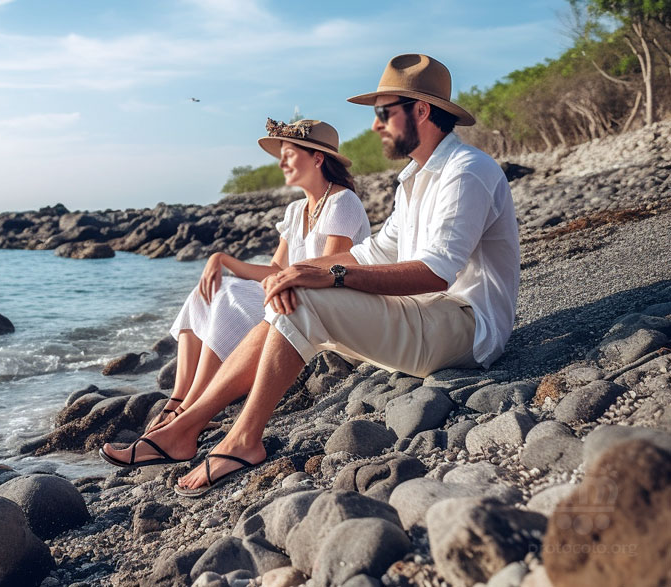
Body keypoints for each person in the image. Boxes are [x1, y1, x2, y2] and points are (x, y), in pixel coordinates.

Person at [102, 54, 520, 498]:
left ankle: (242, 441)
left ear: (420, 111)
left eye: (384, 113)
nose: (376, 126)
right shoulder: (413, 179)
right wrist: (300, 270)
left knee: (300, 298)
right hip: (418, 319)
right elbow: (376, 251)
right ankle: (184, 427)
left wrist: (331, 276)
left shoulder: (467, 171)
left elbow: (436, 273)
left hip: (464, 329)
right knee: (290, 290)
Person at [141, 118, 371, 434]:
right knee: (209, 289)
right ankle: (178, 398)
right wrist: (221, 259)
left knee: (230, 295)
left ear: (317, 158)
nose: (282, 162)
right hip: (296, 292)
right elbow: (277, 270)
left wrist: (276, 281)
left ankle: (193, 407)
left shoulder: (342, 201)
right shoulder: (296, 210)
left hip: (325, 305)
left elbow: (325, 269)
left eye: (290, 154)